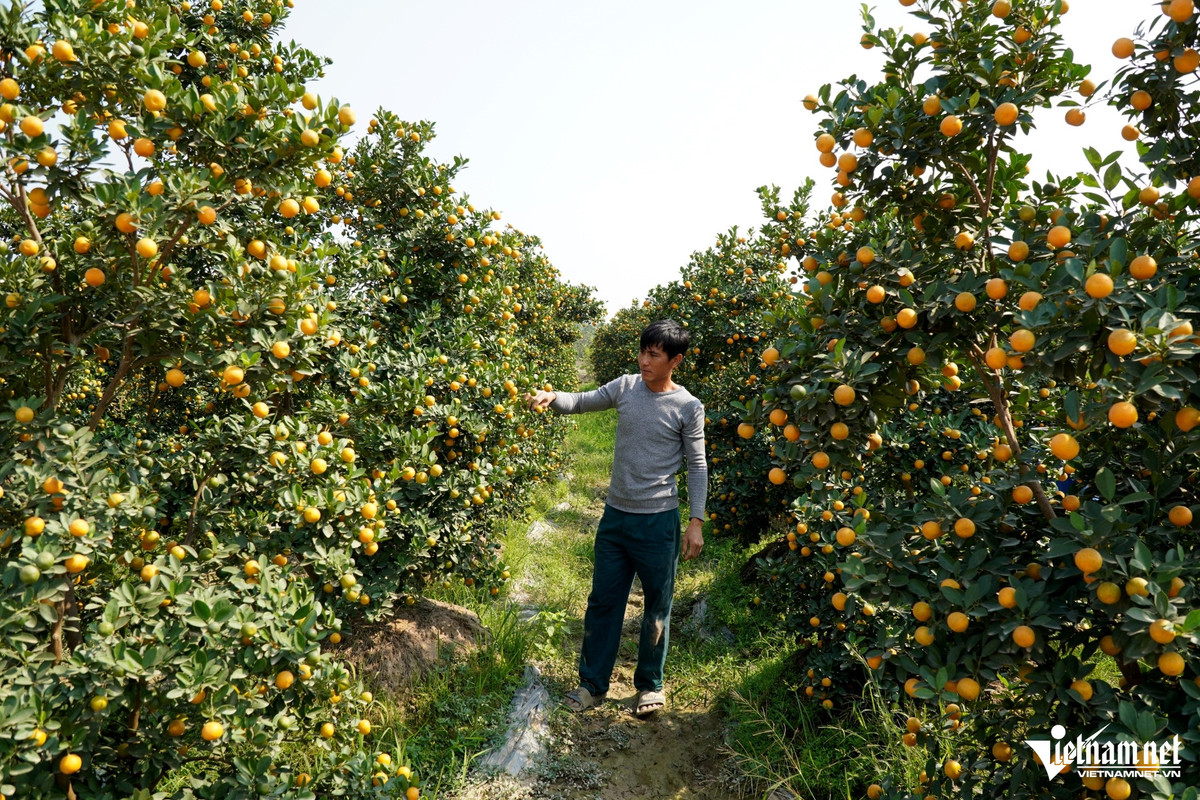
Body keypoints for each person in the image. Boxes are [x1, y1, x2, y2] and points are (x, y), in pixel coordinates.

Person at [525, 319, 707, 717]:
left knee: (657, 606)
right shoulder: (626, 387)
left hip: (658, 522)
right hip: (615, 519)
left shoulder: (688, 407)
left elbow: (697, 465)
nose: (644, 360)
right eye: (642, 351)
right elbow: (582, 400)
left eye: (653, 355)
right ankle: (592, 684)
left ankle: (649, 686)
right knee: (604, 601)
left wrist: (696, 520)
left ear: (674, 360)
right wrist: (550, 396)